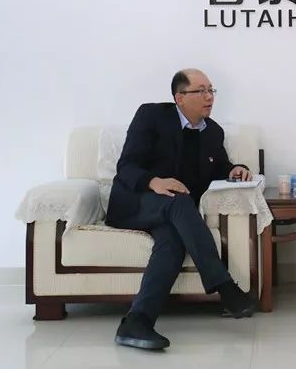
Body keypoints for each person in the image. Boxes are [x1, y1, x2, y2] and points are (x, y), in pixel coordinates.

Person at [106, 68, 257, 350]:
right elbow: (126, 166)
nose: (209, 97)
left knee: (172, 243)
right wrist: (154, 182)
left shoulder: (213, 131)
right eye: (201, 91)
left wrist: (235, 170)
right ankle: (224, 286)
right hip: (136, 203)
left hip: (173, 214)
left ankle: (136, 322)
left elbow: (219, 167)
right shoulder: (151, 116)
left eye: (211, 90)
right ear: (180, 97)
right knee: (178, 199)